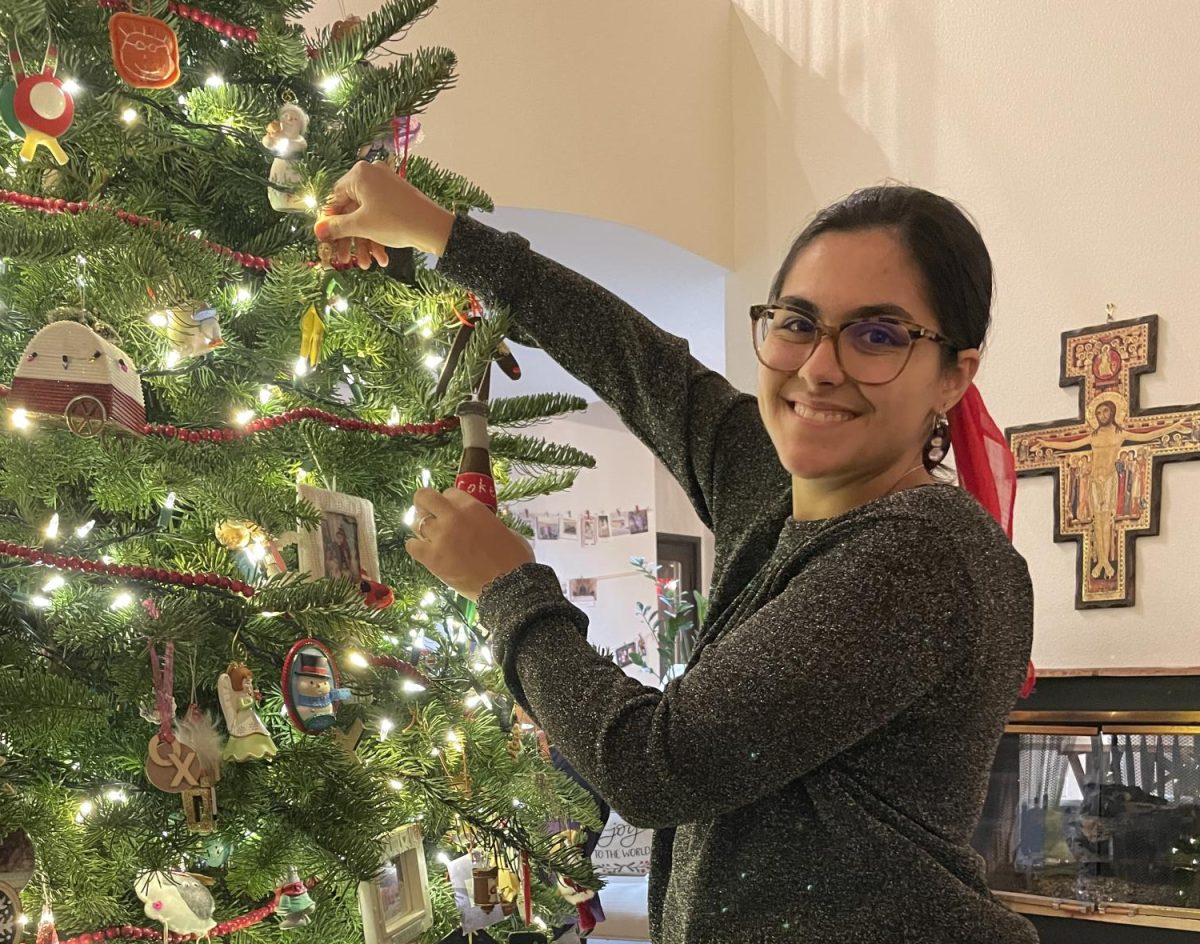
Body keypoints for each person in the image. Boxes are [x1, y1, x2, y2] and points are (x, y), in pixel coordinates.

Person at [315, 163, 1039, 943]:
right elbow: (639, 363)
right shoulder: (772, 483)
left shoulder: (922, 554)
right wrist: (441, 232)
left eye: (877, 335)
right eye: (797, 321)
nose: (818, 366)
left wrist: (507, 586)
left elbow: (655, 766)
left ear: (952, 377)